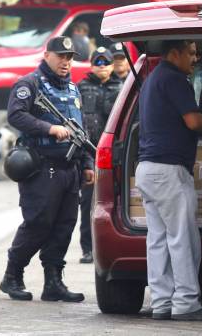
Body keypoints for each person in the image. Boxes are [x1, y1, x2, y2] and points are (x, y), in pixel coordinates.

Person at [0, 36, 94, 302]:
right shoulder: (29, 84)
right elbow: (16, 115)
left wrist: (87, 164)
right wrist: (49, 128)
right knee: (38, 223)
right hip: (42, 167)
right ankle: (12, 275)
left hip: (69, 168)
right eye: (61, 56)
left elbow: (81, 129)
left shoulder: (73, 89)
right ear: (47, 55)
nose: (66, 62)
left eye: (70, 57)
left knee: (64, 225)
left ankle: (53, 282)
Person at [135, 40, 202, 321]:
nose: (195, 59)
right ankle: (186, 303)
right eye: (192, 53)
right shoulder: (175, 79)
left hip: (147, 169)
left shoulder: (151, 79)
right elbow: (193, 123)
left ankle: (161, 303)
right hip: (168, 171)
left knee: (158, 239)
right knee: (182, 238)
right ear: (175, 53)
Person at [77, 47, 123, 263]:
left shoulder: (121, 88)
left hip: (113, 156)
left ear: (112, 66)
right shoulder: (81, 88)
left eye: (106, 63)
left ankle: (111, 247)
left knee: (113, 202)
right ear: (91, 65)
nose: (102, 67)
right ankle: (88, 248)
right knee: (87, 204)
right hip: (88, 154)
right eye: (98, 62)